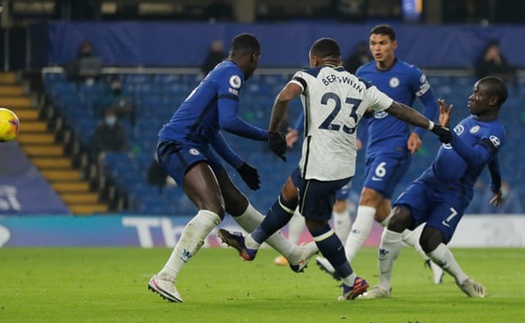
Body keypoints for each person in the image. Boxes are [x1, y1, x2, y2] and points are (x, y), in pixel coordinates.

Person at [217, 37, 453, 300]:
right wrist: (435, 128)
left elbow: (284, 97)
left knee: (316, 223)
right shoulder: (362, 84)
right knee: (290, 191)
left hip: (319, 165)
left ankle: (351, 280)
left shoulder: (310, 75)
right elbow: (399, 110)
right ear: (339, 60)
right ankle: (251, 244)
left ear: (315, 59)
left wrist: (273, 134)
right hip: (343, 166)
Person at [147, 33, 318, 303]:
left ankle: (293, 254)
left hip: (197, 144)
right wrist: (268, 135)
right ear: (254, 57)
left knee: (238, 203)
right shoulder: (232, 74)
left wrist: (239, 164)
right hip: (178, 143)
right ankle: (166, 276)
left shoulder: (220, 71)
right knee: (213, 209)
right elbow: (228, 121)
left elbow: (214, 130)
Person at [315, 24, 444, 284]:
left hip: (396, 145)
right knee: (383, 213)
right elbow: (359, 112)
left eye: (383, 43)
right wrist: (356, 137)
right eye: (373, 43)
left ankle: (342, 261)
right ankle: (433, 256)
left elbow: (430, 104)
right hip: (374, 147)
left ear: (394, 45)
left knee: (367, 197)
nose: (377, 48)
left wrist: (418, 134)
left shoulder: (409, 74)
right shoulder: (363, 73)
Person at [360, 76, 507, 299]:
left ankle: (463, 280)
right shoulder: (467, 121)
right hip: (429, 181)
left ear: (492, 100)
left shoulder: (496, 131)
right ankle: (383, 286)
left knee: (429, 242)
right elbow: (484, 156)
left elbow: (479, 158)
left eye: (478, 93)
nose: (471, 96)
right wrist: (449, 133)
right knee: (397, 219)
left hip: (454, 194)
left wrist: (449, 136)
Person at [273, 113, 357, 267]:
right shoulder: (321, 89)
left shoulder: (355, 90)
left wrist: (361, 138)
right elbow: (308, 109)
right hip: (317, 152)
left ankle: (342, 251)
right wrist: (297, 130)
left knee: (340, 203)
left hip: (341, 154)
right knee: (303, 196)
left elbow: (367, 114)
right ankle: (291, 249)